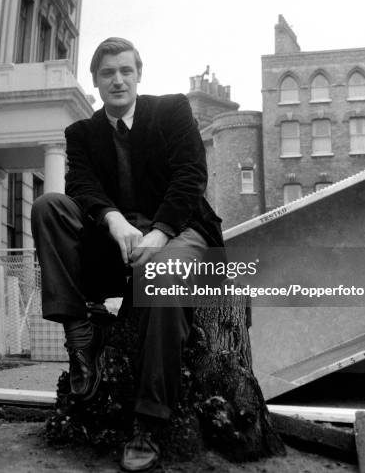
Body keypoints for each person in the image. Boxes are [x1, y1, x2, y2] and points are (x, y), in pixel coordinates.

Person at [31, 38, 224, 472]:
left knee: (161, 273)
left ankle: (148, 423)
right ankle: (81, 336)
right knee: (49, 207)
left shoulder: (171, 111)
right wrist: (115, 220)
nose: (117, 80)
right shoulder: (81, 134)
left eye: (125, 71)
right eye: (107, 73)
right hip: (113, 243)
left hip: (182, 231)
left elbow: (191, 176)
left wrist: (159, 232)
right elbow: (81, 186)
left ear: (138, 74)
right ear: (95, 81)